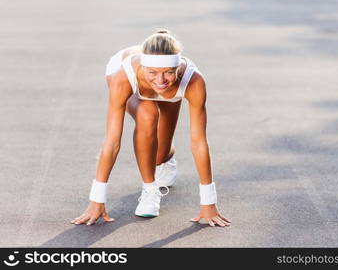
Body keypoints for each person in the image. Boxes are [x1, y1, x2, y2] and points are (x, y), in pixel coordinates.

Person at [71, 29, 231, 227]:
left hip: (169, 88)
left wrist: (209, 202)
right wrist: (97, 199)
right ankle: (150, 189)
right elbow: (112, 141)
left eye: (169, 73)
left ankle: (167, 158)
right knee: (148, 114)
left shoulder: (193, 81)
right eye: (153, 72)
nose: (161, 80)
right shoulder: (123, 77)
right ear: (144, 66)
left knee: (158, 156)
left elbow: (199, 142)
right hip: (133, 80)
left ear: (177, 69)